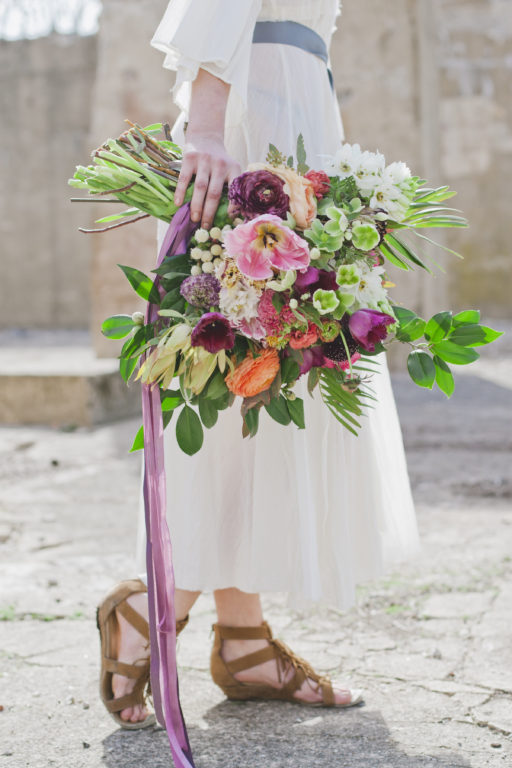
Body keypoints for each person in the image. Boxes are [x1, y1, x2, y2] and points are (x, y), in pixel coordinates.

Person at [97, 0, 420, 728]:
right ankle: (151, 609)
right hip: (253, 124)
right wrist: (208, 127)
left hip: (296, 119)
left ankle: (242, 637)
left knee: (267, 394)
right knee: (239, 367)